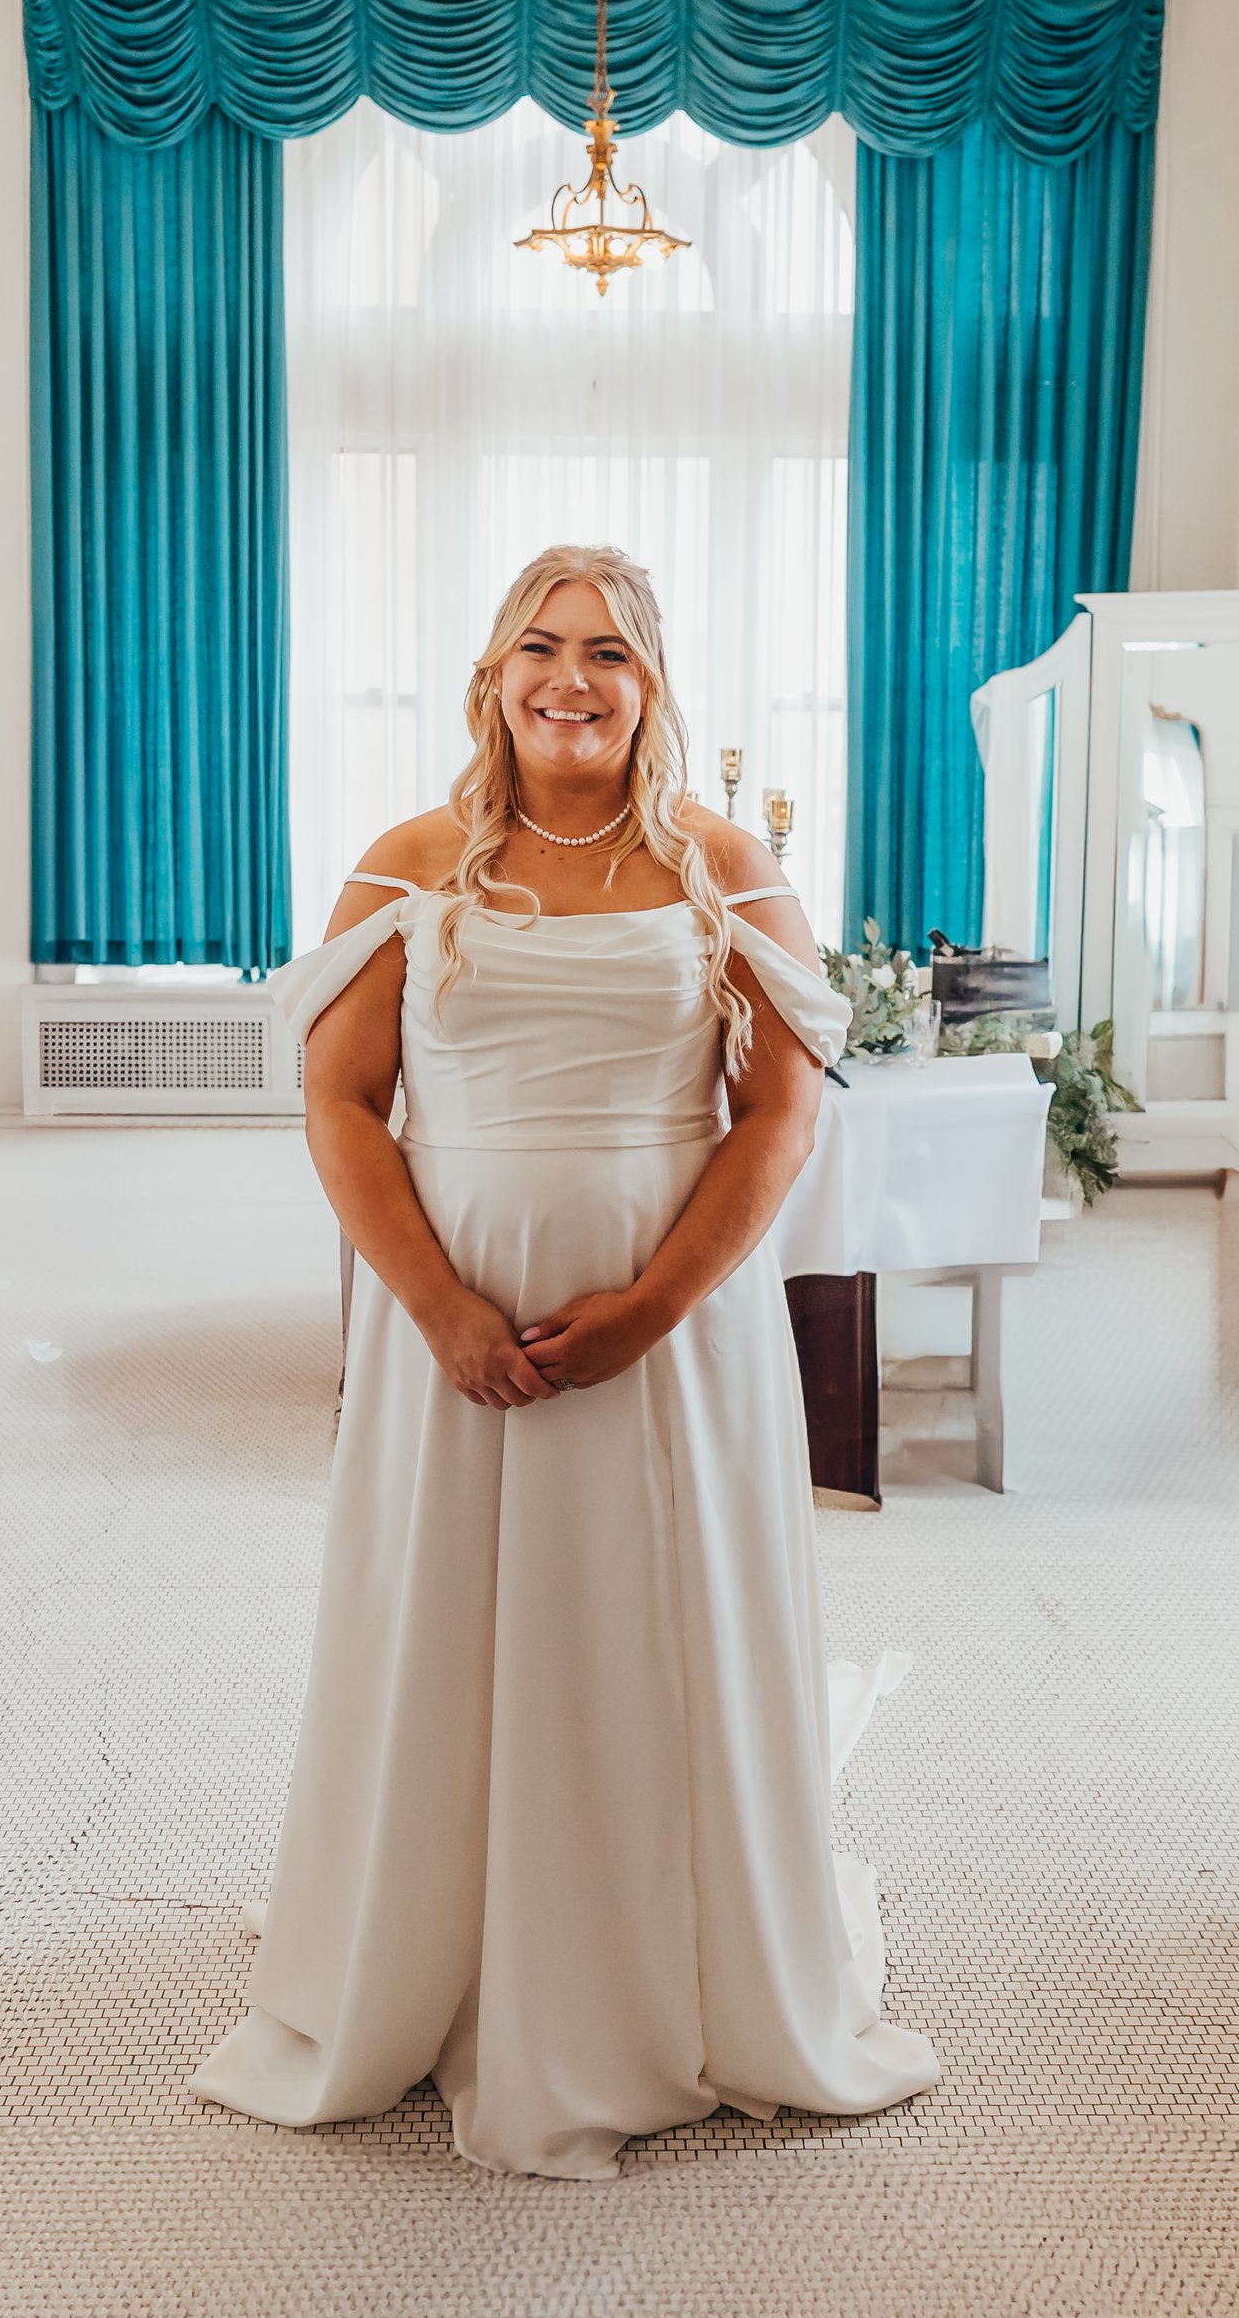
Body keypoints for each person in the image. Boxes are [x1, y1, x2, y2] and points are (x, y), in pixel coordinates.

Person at [192, 544, 939, 2179]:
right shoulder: (408, 864)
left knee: (646, 1625)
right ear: (492, 674)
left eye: (609, 650)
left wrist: (661, 1303)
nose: (572, 678)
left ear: (652, 682)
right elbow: (338, 1103)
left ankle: (660, 1968)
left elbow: (783, 1111)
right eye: (542, 646)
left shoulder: (726, 867)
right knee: (447, 1621)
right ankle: (432, 1948)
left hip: (677, 1338)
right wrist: (442, 1309)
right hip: (446, 1327)